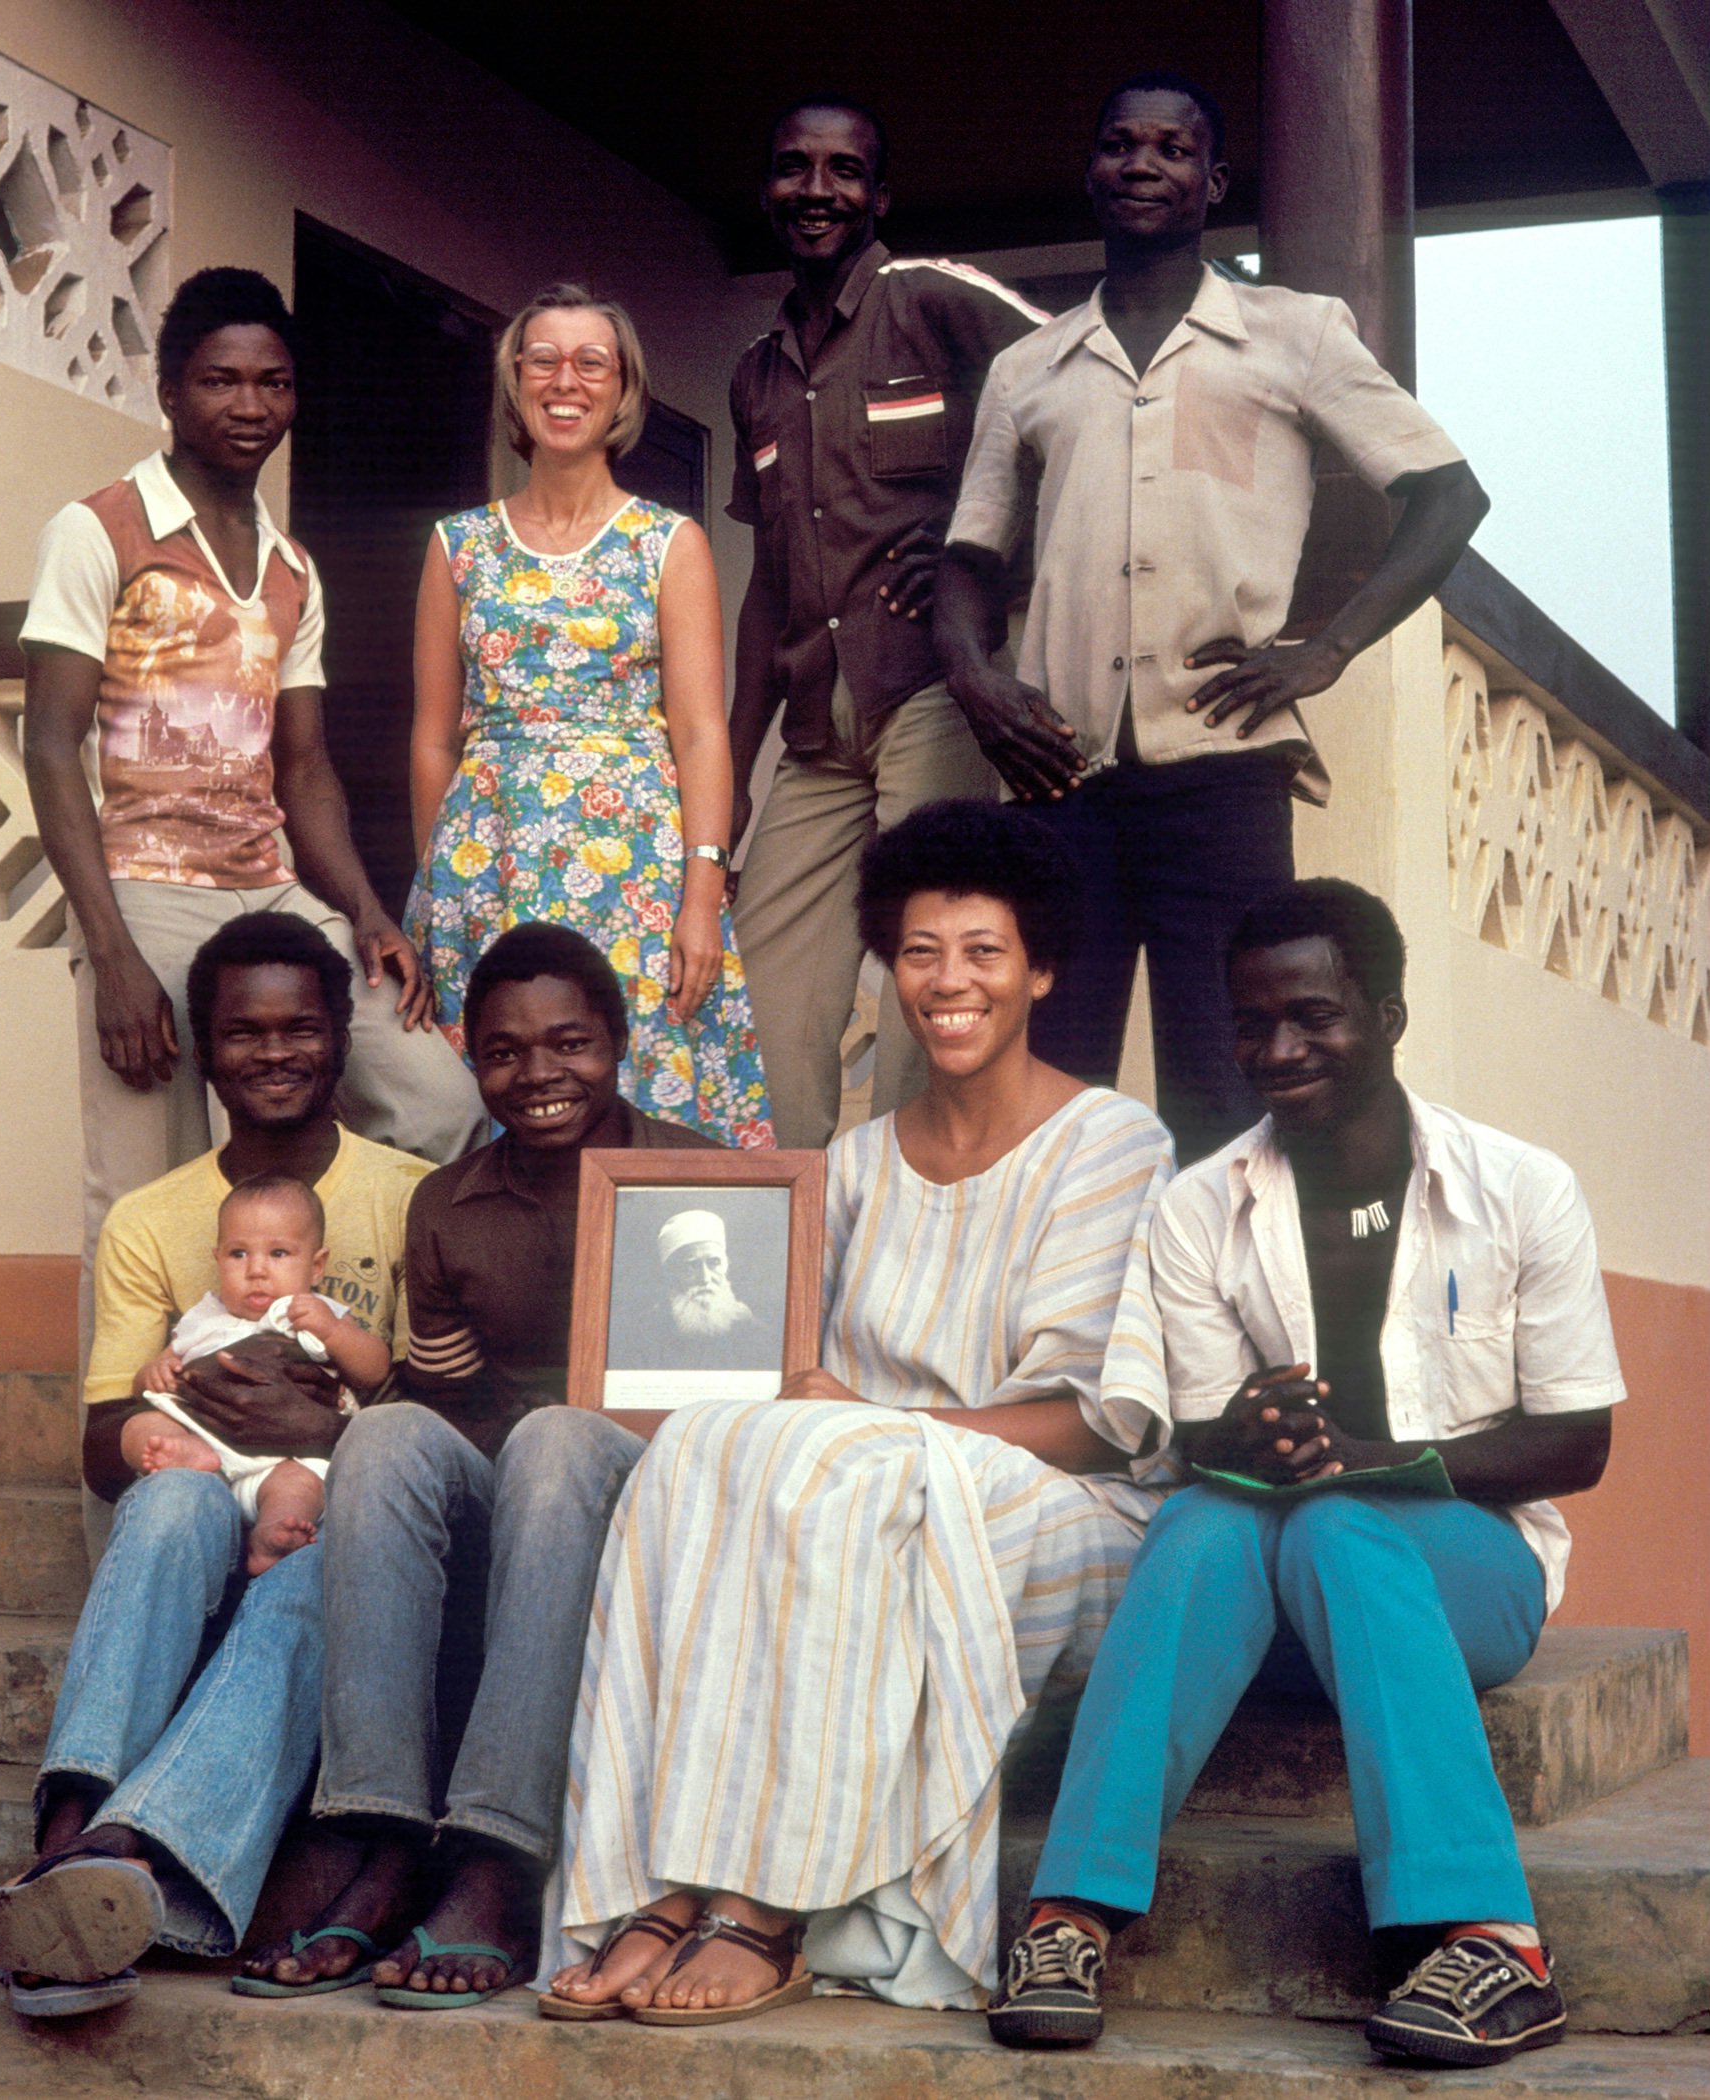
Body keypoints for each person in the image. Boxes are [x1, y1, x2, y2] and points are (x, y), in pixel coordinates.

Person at [539, 799, 1175, 2023]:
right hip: (861, 1494)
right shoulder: (855, 1161)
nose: (949, 982)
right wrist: (839, 1431)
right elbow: (788, 1386)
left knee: (838, 1471)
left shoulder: (1111, 1145)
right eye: (921, 952)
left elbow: (1097, 1427)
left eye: (984, 952)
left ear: (1041, 970)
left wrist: (884, 1434)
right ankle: (658, 1884)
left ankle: (766, 1907)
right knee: (702, 1446)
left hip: (1066, 1521)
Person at [989, 879, 1620, 2063]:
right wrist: (1234, 1437)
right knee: (1198, 1523)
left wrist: (1377, 1464)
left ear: (1387, 1017)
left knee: (1341, 1525)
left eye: (1313, 1016)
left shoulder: (1519, 1189)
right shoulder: (1200, 1207)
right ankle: (1067, 1919)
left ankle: (1494, 1944)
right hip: (1261, 1596)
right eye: (1252, 1024)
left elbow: (1576, 1442)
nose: (1278, 1051)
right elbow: (1192, 1433)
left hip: (1465, 1576)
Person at [939, 73, 1489, 1165]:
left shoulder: (1294, 334)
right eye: (1121, 145)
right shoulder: (1028, 367)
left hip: (1223, 770)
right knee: (1050, 1088)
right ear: (1091, 170)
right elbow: (969, 556)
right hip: (1059, 778)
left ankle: (1231, 1283)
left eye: (1173, 149)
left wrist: (1326, 652)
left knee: (1229, 1082)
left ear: (1213, 180)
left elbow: (1447, 495)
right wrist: (976, 680)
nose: (1143, 165)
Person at [0, 913, 428, 2019]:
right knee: (169, 1498)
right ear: (204, 1050)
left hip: (343, 1515)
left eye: (299, 1028)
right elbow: (102, 1438)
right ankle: (72, 1831)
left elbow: (434, 1410)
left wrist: (322, 1435)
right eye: (244, 1032)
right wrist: (163, 1441)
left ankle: (118, 1861)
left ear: (340, 1036)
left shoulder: (413, 1194)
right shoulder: (151, 1219)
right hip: (207, 1508)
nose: (274, 1052)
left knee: (317, 1557)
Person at [21, 267, 483, 1397]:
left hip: (271, 890)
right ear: (170, 392)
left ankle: (335, 1387)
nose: (248, 405)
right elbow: (49, 746)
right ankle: (130, 1470)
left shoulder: (291, 567)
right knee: (145, 1192)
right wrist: (113, 955)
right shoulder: (100, 530)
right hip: (140, 889)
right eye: (219, 380)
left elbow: (305, 766)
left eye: (272, 382)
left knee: (438, 1100)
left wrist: (365, 911)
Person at [232, 923, 713, 2004]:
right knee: (388, 1433)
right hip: (523, 1480)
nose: (538, 1074)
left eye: (570, 1043)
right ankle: (382, 1831)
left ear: (619, 1042)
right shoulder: (448, 1205)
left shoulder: (704, 1176)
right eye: (503, 1052)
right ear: (471, 1060)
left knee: (557, 1436)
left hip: (664, 1482)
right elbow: (447, 1398)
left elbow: (745, 1389)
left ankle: (497, 1853)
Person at [725, 99, 1049, 1147]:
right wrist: (729, 770)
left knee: (935, 974)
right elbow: (769, 581)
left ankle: (927, 1206)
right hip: (816, 730)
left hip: (932, 696)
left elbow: (1086, 394)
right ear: (767, 190)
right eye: (794, 168)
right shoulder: (756, 373)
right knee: (759, 998)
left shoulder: (932, 299)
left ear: (880, 195)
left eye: (843, 171)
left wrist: (977, 550)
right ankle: (794, 1218)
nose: (816, 190)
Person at [403, 284, 770, 1149]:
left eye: (590, 363)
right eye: (542, 360)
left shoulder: (667, 542)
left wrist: (702, 895)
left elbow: (700, 734)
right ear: (515, 382)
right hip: (486, 867)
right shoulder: (458, 545)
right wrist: (439, 890)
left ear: (622, 389)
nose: (564, 381)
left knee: (643, 1085)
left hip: (633, 872)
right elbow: (432, 737)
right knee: (496, 1089)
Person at [120, 1174, 391, 1575]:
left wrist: (334, 1332)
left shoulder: (318, 1314)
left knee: (302, 1485)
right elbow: (148, 1378)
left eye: (279, 1253)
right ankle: (189, 1455)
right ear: (218, 1260)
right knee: (137, 1427)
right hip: (206, 1450)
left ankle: (272, 1535)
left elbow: (374, 1369)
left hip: (284, 1457)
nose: (256, 1270)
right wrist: (153, 1372)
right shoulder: (204, 1317)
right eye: (238, 1254)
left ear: (316, 1266)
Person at [652, 1208, 766, 1366]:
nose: (705, 1278)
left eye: (714, 1263)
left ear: (726, 1265)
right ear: (672, 1273)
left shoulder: (751, 1329)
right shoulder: (649, 1330)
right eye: (691, 1266)